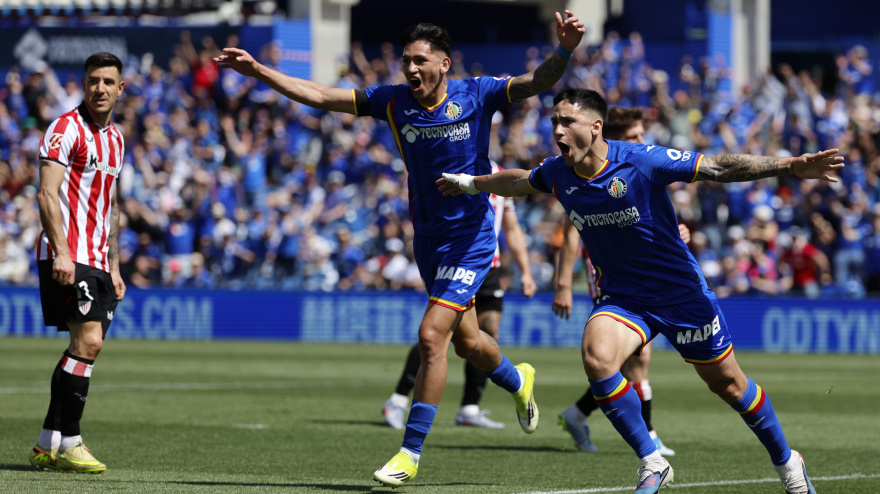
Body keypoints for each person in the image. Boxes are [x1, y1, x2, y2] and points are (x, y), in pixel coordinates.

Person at [216, 11, 585, 487]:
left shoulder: (478, 93)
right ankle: (519, 380)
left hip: (471, 238)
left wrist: (565, 50)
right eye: (406, 60)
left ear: (444, 63)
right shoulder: (393, 101)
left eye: (420, 61)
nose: (411, 68)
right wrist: (259, 71)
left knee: (432, 337)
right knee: (468, 342)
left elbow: (538, 81)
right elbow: (321, 96)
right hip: (428, 240)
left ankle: (409, 453)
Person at [440, 88, 839, 494]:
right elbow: (519, 181)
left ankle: (788, 461)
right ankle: (652, 461)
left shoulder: (640, 160)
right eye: (554, 122)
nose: (557, 130)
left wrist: (791, 165)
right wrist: (472, 183)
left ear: (596, 127)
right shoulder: (558, 172)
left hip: (680, 294)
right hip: (624, 298)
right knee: (597, 358)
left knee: (730, 386)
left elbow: (716, 167)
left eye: (567, 121)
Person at [552, 106, 679, 455]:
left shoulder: (640, 169)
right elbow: (571, 235)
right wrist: (563, 285)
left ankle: (577, 414)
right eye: (634, 136)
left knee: (623, 360)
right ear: (615, 139)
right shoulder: (586, 176)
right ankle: (648, 435)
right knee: (637, 357)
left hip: (642, 275)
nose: (642, 140)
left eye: (642, 133)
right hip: (609, 277)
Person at [383, 162, 538, 430]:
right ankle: (398, 400)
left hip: (489, 266)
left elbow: (511, 228)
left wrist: (525, 271)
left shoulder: (501, 174)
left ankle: (469, 408)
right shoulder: (455, 164)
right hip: (459, 262)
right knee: (438, 332)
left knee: (484, 333)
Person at [30, 52, 127, 474]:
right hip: (68, 253)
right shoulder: (65, 129)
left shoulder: (117, 139)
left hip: (99, 259)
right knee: (89, 343)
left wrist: (115, 266)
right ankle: (71, 442)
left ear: (120, 88)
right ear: (83, 84)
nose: (99, 88)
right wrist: (63, 252)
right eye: (93, 81)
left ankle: (46, 442)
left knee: (81, 348)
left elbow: (111, 206)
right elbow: (46, 194)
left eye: (107, 81)